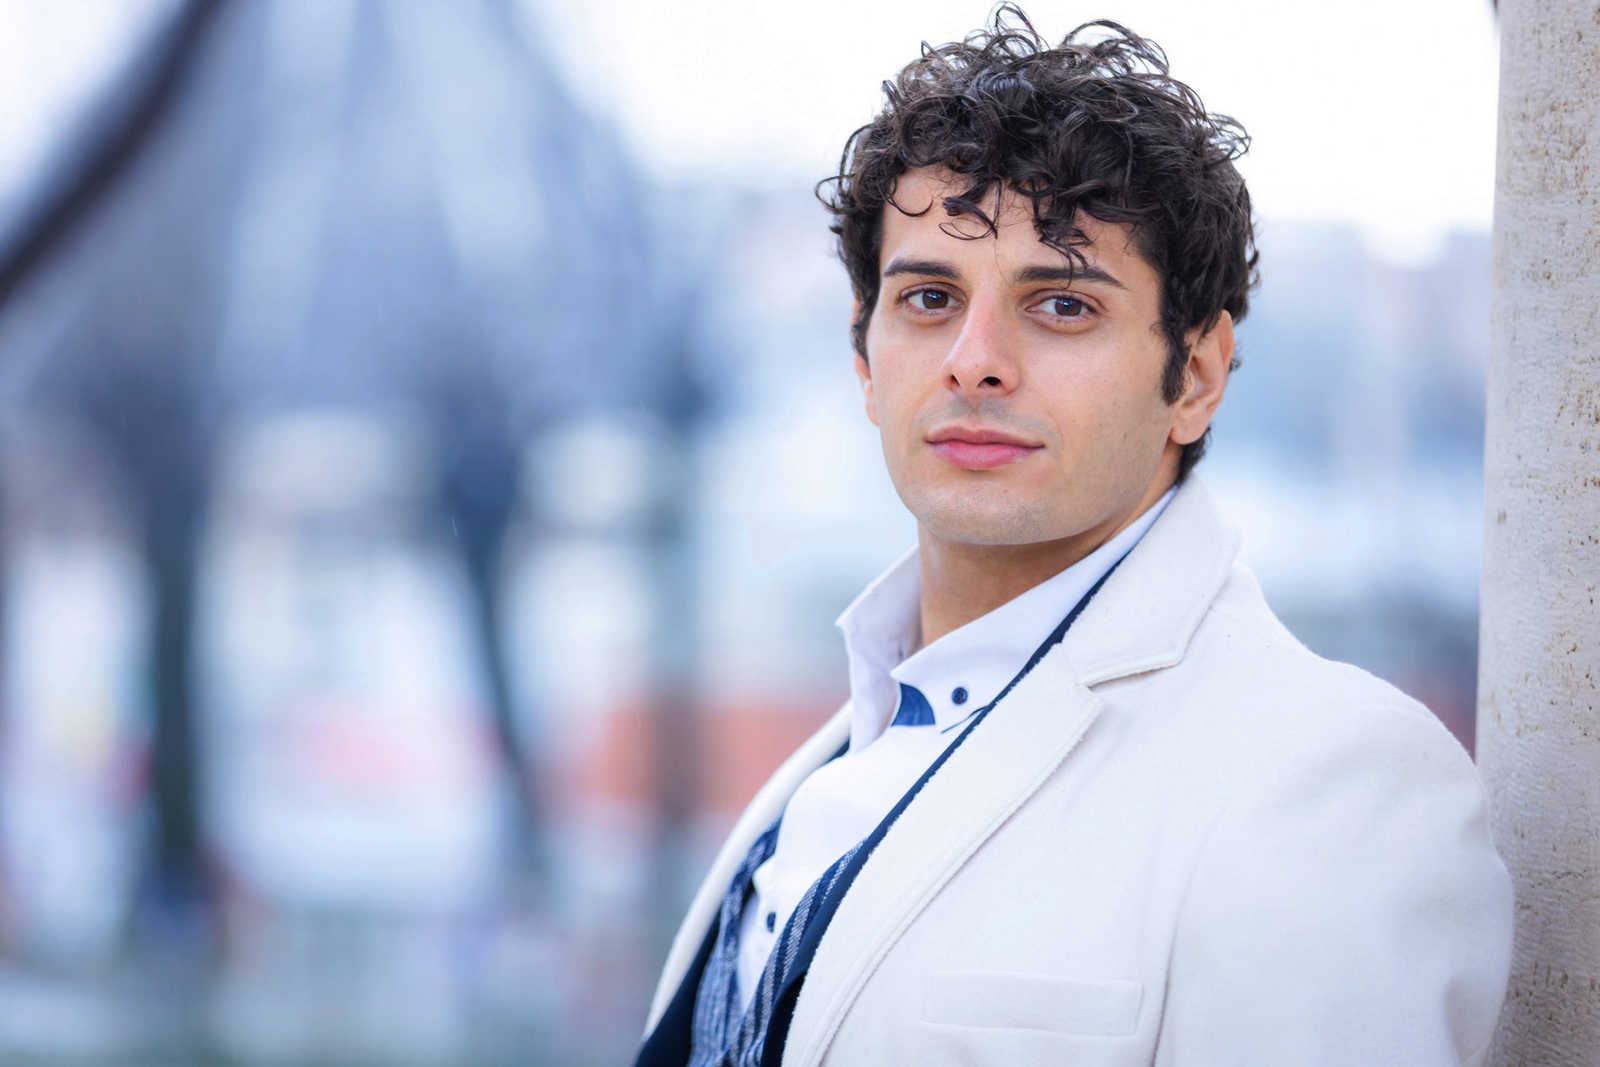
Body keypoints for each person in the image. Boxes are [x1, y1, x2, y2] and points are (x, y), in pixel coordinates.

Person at [634, 9, 1513, 1066]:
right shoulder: (848, 744)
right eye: (928, 297)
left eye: (1059, 304)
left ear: (1194, 376)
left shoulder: (1334, 783)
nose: (973, 359)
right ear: (864, 361)